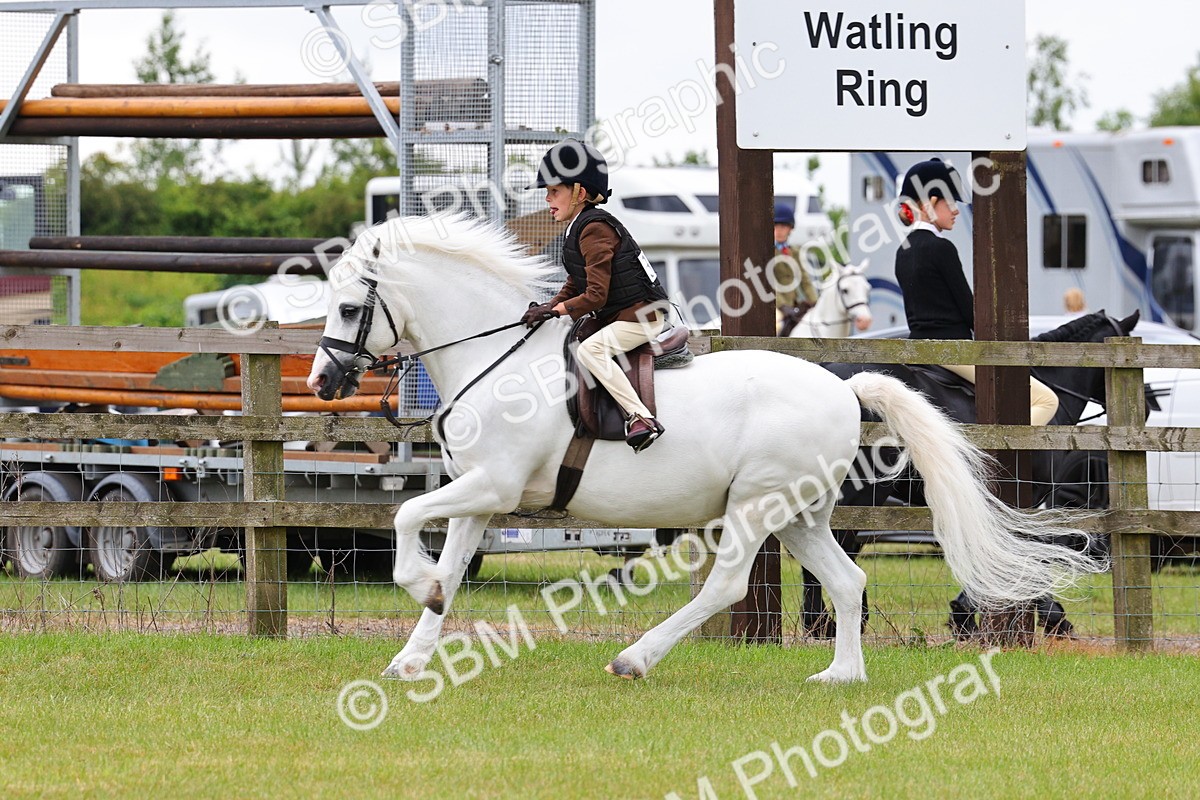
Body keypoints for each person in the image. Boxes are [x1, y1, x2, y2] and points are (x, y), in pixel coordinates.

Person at [521, 139, 670, 451]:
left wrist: (557, 311)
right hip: (622, 315)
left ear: (580, 193)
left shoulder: (594, 229)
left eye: (554, 191)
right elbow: (576, 283)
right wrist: (550, 306)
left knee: (591, 351)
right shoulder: (577, 227)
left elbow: (596, 296)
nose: (547, 199)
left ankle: (641, 418)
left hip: (640, 318)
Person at [894, 158, 1059, 426]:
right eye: (950, 203)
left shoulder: (902, 251)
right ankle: (1002, 447)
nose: (956, 211)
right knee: (1046, 400)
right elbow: (969, 310)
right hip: (953, 352)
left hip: (918, 349)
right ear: (931, 203)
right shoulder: (941, 248)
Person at [772, 203, 819, 336]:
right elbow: (768, 283)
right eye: (776, 227)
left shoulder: (796, 252)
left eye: (783, 227)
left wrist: (815, 302)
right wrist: (782, 306)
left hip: (794, 304)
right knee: (777, 326)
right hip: (774, 305)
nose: (779, 231)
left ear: (790, 229)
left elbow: (805, 280)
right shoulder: (766, 253)